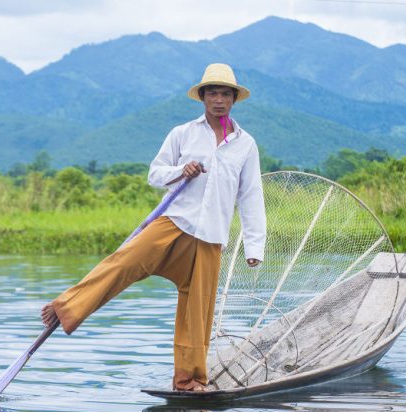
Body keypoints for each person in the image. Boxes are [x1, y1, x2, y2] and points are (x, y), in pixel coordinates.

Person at [42, 63, 266, 392]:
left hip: (210, 237)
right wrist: (180, 170)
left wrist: (254, 247)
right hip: (174, 222)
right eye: (213, 93)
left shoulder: (245, 145)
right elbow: (154, 173)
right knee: (124, 260)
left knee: (197, 312)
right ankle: (67, 307)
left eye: (225, 94)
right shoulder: (183, 133)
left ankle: (189, 381)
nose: (219, 100)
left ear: (234, 99)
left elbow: (250, 196)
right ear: (202, 97)